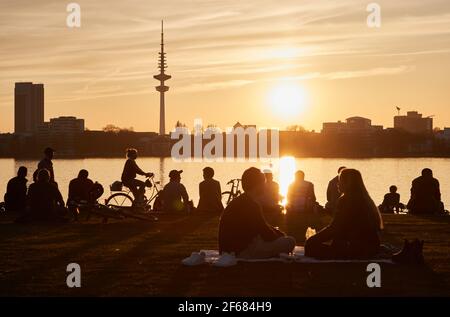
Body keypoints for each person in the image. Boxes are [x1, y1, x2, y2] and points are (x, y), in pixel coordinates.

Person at [304, 169, 383, 259]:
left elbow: (335, 227)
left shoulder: (347, 200)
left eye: (340, 181)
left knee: (311, 246)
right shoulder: (366, 200)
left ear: (347, 183)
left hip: (355, 249)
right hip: (371, 247)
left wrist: (312, 240)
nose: (337, 184)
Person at [218, 167, 296, 259]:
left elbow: (263, 226)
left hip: (229, 250)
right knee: (290, 242)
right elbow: (266, 234)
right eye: (264, 183)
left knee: (278, 240)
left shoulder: (239, 201)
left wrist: (278, 234)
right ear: (258, 185)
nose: (265, 186)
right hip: (242, 252)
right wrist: (281, 237)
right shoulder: (251, 205)